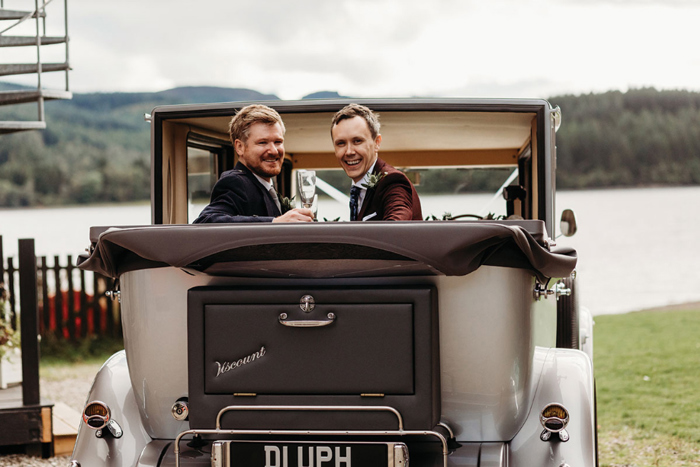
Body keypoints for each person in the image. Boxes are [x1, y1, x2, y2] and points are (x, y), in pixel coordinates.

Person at [193, 104, 314, 223]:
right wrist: (275, 222)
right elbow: (205, 221)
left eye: (278, 142)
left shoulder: (264, 186)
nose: (273, 150)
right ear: (240, 147)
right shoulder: (235, 182)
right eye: (262, 142)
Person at [330, 104, 422, 221]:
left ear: (377, 143)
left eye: (357, 141)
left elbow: (397, 228)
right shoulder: (358, 189)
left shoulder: (393, 182)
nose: (349, 152)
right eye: (341, 143)